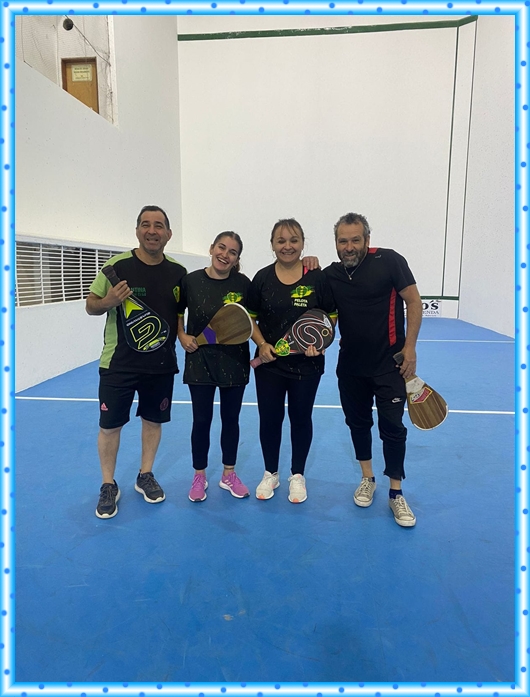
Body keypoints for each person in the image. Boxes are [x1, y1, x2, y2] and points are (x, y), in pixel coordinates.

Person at [86, 205, 186, 519]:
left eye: (158, 225)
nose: (152, 231)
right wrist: (109, 301)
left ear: (168, 234)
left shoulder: (179, 273)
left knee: (153, 422)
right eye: (145, 224)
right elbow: (91, 305)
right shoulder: (116, 266)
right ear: (137, 231)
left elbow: (181, 315)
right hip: (119, 364)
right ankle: (108, 484)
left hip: (160, 365)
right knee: (109, 426)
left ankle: (145, 475)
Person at [323, 212, 422, 527]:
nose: (349, 247)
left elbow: (414, 301)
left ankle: (396, 492)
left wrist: (410, 348)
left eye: (355, 240)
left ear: (367, 239)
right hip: (350, 367)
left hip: (390, 366)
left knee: (392, 428)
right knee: (358, 424)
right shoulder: (331, 274)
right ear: (336, 243)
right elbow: (323, 314)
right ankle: (367, 478)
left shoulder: (390, 261)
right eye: (343, 241)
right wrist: (307, 263)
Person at [247, 218, 336, 504]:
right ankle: (270, 473)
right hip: (269, 365)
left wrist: (320, 343)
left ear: (303, 243)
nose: (288, 246)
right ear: (272, 245)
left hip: (307, 366)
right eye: (281, 240)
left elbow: (330, 316)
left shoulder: (317, 277)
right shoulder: (261, 278)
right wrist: (261, 344)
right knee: (269, 419)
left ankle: (297, 475)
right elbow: (250, 318)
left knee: (301, 418)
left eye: (294, 240)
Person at [177, 232, 252, 502]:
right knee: (201, 420)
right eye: (221, 247)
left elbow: (251, 321)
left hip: (235, 362)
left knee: (231, 420)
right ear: (211, 248)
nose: (225, 254)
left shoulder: (243, 284)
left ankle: (228, 474)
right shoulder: (191, 281)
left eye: (232, 252)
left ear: (237, 258)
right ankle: (199, 475)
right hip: (199, 361)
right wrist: (182, 335)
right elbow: (178, 312)